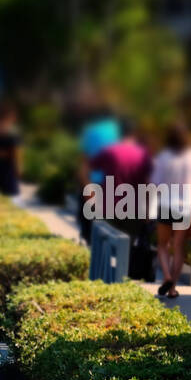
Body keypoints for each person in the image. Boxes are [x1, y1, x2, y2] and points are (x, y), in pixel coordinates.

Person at [149, 122, 191, 299]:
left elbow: (155, 183)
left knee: (162, 245)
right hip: (186, 206)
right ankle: (173, 287)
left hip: (166, 203)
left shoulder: (163, 157)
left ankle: (166, 276)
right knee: (178, 247)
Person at [89, 119, 153, 280]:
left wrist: (90, 194)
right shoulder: (143, 154)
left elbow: (85, 167)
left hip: (108, 205)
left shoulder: (110, 151)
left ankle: (104, 282)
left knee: (105, 247)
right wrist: (147, 210)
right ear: (135, 134)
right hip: (134, 207)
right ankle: (120, 284)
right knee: (126, 250)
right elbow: (148, 183)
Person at [77, 109, 121, 242]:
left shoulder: (89, 131)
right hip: (112, 185)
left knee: (90, 226)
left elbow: (84, 161)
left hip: (92, 182)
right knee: (108, 227)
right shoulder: (116, 130)